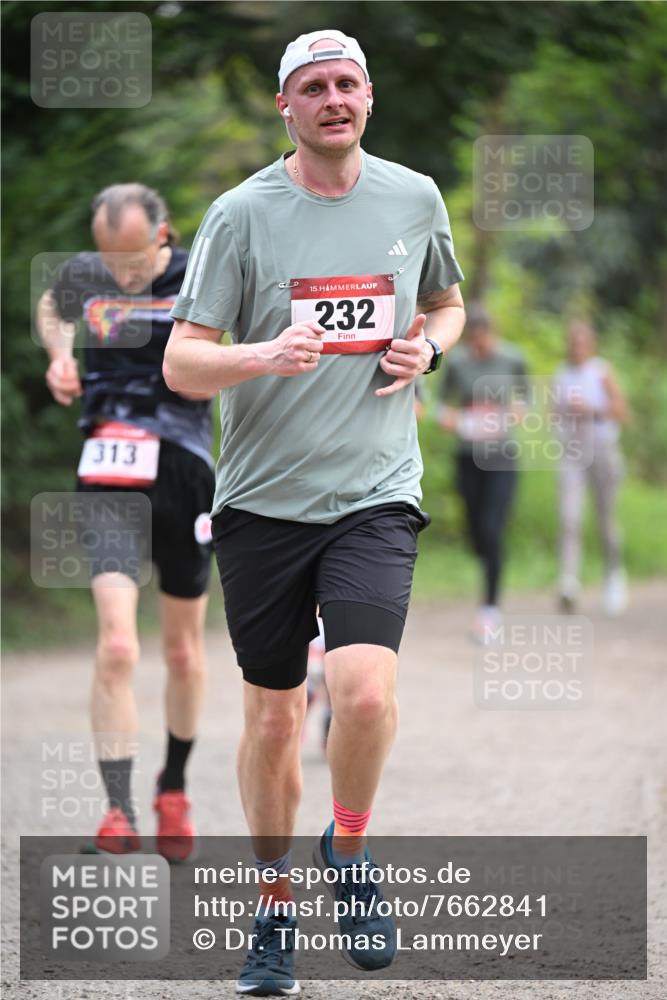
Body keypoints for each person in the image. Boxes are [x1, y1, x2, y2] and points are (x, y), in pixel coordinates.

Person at [164, 29, 465, 996]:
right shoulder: (241, 215)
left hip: (374, 491)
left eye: (347, 84)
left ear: (367, 99)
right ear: (284, 108)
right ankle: (272, 911)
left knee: (365, 692)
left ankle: (350, 848)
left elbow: (446, 305)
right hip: (261, 504)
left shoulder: (412, 198)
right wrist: (261, 355)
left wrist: (430, 349)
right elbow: (181, 360)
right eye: (312, 87)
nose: (333, 99)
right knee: (272, 723)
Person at [37, 183, 215, 862]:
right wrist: (59, 355)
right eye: (109, 261)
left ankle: (174, 788)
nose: (118, 275)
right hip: (108, 468)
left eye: (132, 262)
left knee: (181, 652)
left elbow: (246, 342)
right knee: (117, 646)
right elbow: (53, 308)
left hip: (184, 471)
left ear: (162, 236)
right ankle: (118, 808)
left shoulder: (201, 269)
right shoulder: (87, 271)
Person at [438, 304, 528, 642]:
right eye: (473, 342)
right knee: (475, 532)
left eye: (483, 340)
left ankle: (489, 609)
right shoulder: (458, 363)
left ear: (493, 333)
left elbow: (526, 399)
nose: (480, 347)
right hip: (468, 456)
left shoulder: (512, 360)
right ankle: (485, 558)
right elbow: (443, 405)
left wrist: (515, 412)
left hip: (501, 457)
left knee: (492, 529)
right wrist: (456, 420)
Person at [552, 319, 630, 614]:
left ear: (591, 345)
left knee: (605, 519)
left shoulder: (601, 371)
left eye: (583, 342)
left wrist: (591, 409)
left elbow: (622, 411)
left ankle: (613, 575)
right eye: (573, 342)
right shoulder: (561, 374)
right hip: (572, 451)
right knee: (569, 517)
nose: (577, 348)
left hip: (603, 451)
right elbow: (553, 413)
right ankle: (569, 582)